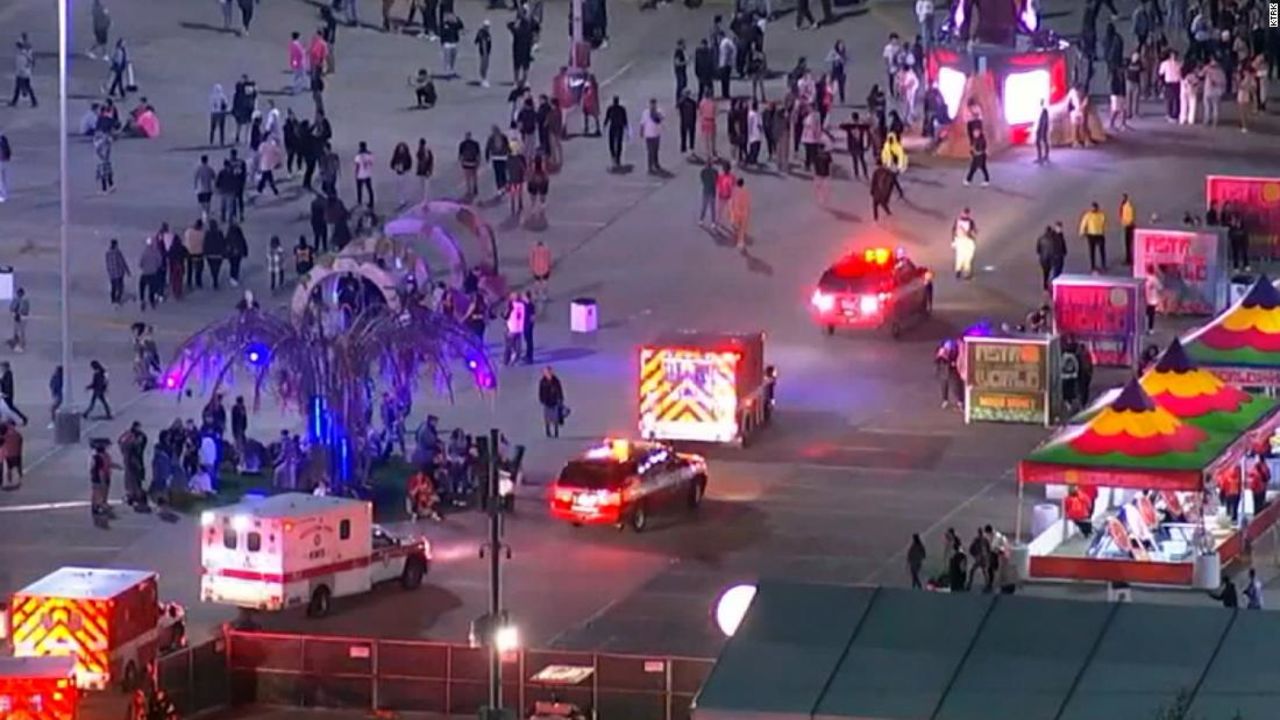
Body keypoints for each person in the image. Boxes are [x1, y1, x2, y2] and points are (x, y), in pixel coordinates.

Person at [538, 367, 566, 438]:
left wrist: (560, 398)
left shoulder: (556, 381)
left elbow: (559, 390)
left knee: (555, 417)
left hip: (554, 401)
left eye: (549, 372)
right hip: (547, 401)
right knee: (547, 417)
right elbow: (540, 391)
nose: (548, 374)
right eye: (546, 372)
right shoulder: (542, 382)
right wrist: (542, 399)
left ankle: (556, 432)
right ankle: (548, 432)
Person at [1079, 201, 1107, 271]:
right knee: (1092, 251)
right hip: (1092, 234)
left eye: (1095, 208)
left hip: (1099, 234)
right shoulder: (1089, 215)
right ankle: (1093, 265)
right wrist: (1081, 232)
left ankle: (1102, 265)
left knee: (1101, 251)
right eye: (1093, 208)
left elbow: (1104, 223)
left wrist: (1082, 232)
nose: (1094, 209)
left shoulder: (1100, 215)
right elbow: (1083, 224)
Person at [935, 338, 962, 409]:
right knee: (944, 385)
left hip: (952, 370)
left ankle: (960, 401)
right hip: (944, 370)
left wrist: (953, 362)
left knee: (956, 386)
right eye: (947, 347)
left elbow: (957, 358)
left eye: (949, 347)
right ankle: (945, 400)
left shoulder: (955, 350)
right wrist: (940, 356)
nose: (947, 349)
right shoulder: (941, 350)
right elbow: (937, 360)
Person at [952, 208, 977, 280]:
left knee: (963, 257)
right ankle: (962, 273)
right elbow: (954, 230)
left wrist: (953, 241)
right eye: (965, 213)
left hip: (963, 240)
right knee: (965, 257)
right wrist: (953, 240)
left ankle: (960, 272)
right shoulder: (966, 221)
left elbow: (954, 230)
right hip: (964, 241)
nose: (966, 215)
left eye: (966, 213)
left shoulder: (962, 221)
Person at [603, 97, 628, 169]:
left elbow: (607, 118)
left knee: (613, 142)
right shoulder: (621, 109)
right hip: (618, 127)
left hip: (615, 127)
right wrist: (626, 126)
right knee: (617, 143)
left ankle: (615, 156)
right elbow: (625, 118)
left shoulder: (611, 109)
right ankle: (616, 157)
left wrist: (605, 125)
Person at [640, 99, 664, 174]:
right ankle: (650, 166)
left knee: (656, 150)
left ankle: (656, 163)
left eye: (654, 104)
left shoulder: (659, 111)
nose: (652, 106)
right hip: (649, 135)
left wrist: (656, 113)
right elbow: (642, 123)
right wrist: (641, 132)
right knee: (650, 151)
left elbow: (661, 119)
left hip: (656, 134)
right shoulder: (645, 112)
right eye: (651, 104)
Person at [458, 131, 480, 198]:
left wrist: (461, 162)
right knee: (474, 176)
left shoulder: (462, 144)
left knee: (467, 177)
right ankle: (475, 187)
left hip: (466, 162)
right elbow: (478, 154)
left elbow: (460, 154)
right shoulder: (475, 144)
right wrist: (478, 162)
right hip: (473, 162)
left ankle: (469, 190)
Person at [1119, 193, 1136, 265]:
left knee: (1129, 243)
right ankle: (1128, 258)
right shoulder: (1124, 205)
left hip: (1129, 226)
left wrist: (1127, 223)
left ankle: (1130, 259)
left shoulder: (1128, 206)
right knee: (1128, 244)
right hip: (1127, 225)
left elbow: (1131, 216)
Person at [475, 19, 492, 87]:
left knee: (486, 65)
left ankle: (484, 78)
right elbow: (482, 43)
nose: (488, 28)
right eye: (486, 26)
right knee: (483, 65)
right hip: (483, 52)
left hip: (487, 52)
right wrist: (485, 53)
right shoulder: (482, 33)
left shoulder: (487, 33)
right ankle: (483, 79)